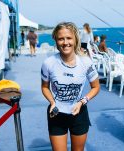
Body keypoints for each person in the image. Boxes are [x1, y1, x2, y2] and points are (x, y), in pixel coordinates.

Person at [41, 22, 100, 151]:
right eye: (61, 38)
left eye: (69, 38)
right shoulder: (48, 63)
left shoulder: (86, 62)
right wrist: (52, 102)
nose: (65, 42)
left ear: (75, 39)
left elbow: (96, 87)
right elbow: (45, 87)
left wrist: (82, 102)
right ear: (56, 41)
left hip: (79, 114)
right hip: (56, 114)